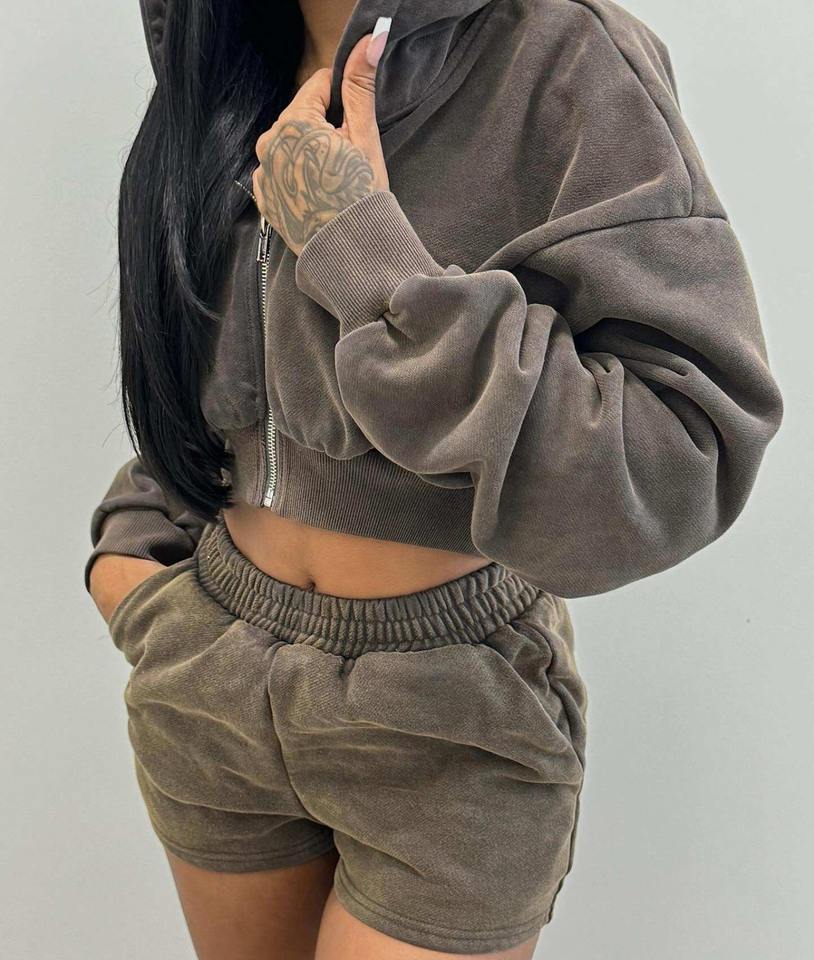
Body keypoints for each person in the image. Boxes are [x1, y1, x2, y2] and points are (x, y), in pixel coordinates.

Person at [84, 1, 784, 958]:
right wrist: (134, 559)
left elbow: (679, 458)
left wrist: (362, 251)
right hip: (209, 686)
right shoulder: (224, 47)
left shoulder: (562, 54)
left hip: (448, 719)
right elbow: (223, 382)